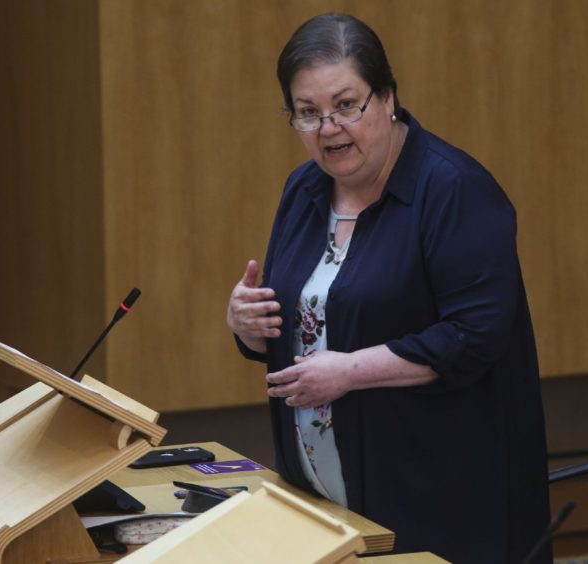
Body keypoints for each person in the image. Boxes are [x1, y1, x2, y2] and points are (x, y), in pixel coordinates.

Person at [226, 13, 550, 563]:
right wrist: (248, 324)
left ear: (387, 97)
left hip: (435, 499)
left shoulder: (454, 191)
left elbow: (474, 337)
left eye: (346, 105)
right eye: (307, 113)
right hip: (324, 500)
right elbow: (309, 313)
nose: (328, 129)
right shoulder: (305, 189)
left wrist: (352, 371)